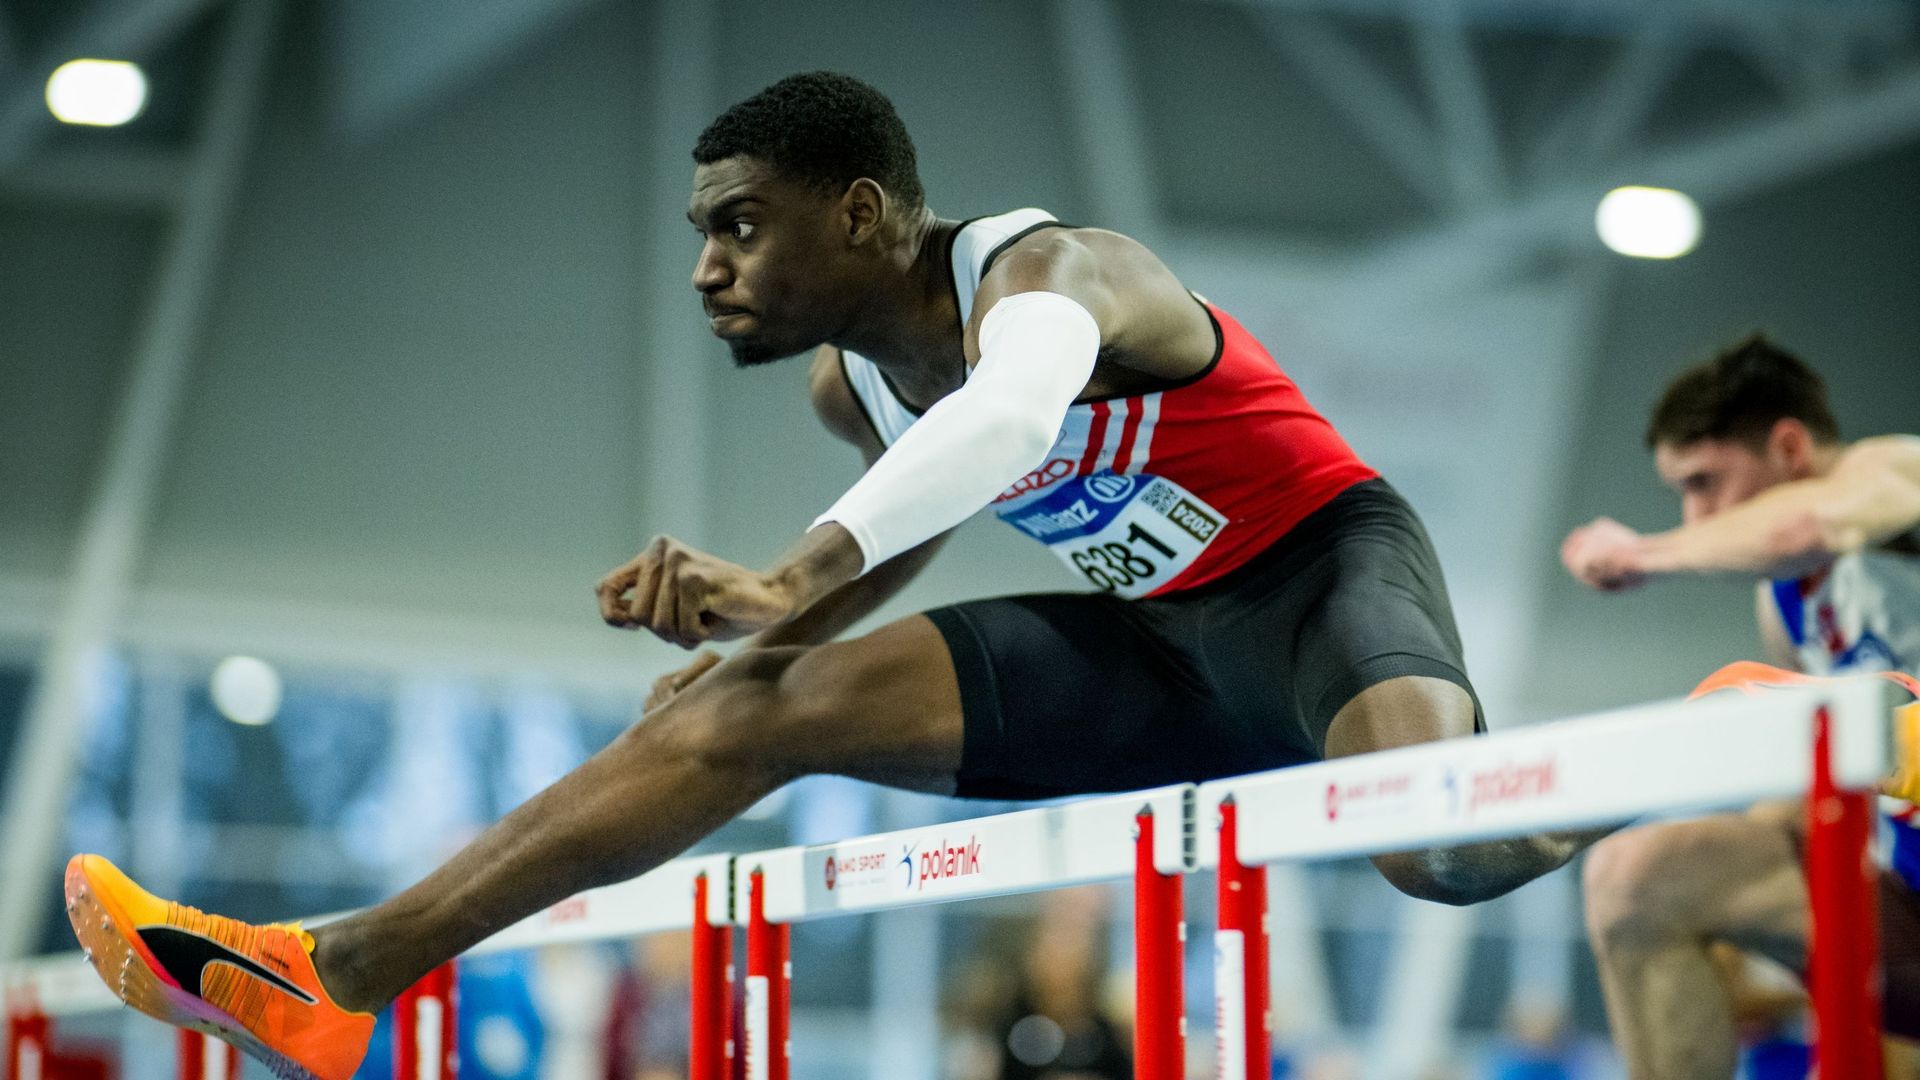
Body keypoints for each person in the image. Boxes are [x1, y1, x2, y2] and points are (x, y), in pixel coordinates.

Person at [65, 71, 1597, 1080]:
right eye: (697, 234)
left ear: (860, 214)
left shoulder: (1058, 274)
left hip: (1321, 581)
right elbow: (921, 513)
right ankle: (335, 973)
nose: (705, 268)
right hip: (1156, 646)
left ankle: (1638, 773)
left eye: (739, 226)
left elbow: (1005, 421)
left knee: (1432, 852)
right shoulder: (847, 386)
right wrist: (769, 641)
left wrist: (782, 580)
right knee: (738, 717)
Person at [1562, 334, 1920, 1077]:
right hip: (1912, 905)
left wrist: (1641, 554)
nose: (1695, 517)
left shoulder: (1892, 469)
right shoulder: (1782, 604)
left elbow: (1809, 525)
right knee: (1637, 876)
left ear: (1789, 446)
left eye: (1704, 482)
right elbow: (1812, 797)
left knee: (1737, 687)